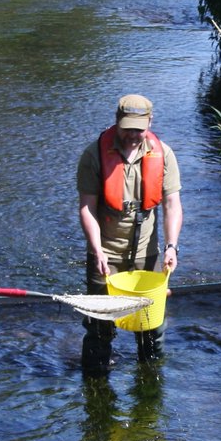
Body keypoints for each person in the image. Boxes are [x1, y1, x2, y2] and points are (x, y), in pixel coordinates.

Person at [77, 94, 183, 375]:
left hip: (146, 255)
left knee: (151, 327)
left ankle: (150, 381)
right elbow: (87, 208)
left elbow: (172, 204)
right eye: (127, 129)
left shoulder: (165, 154)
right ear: (116, 122)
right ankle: (96, 386)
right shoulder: (93, 155)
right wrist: (97, 250)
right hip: (106, 254)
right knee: (100, 327)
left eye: (139, 129)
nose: (132, 136)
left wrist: (172, 247)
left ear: (150, 122)